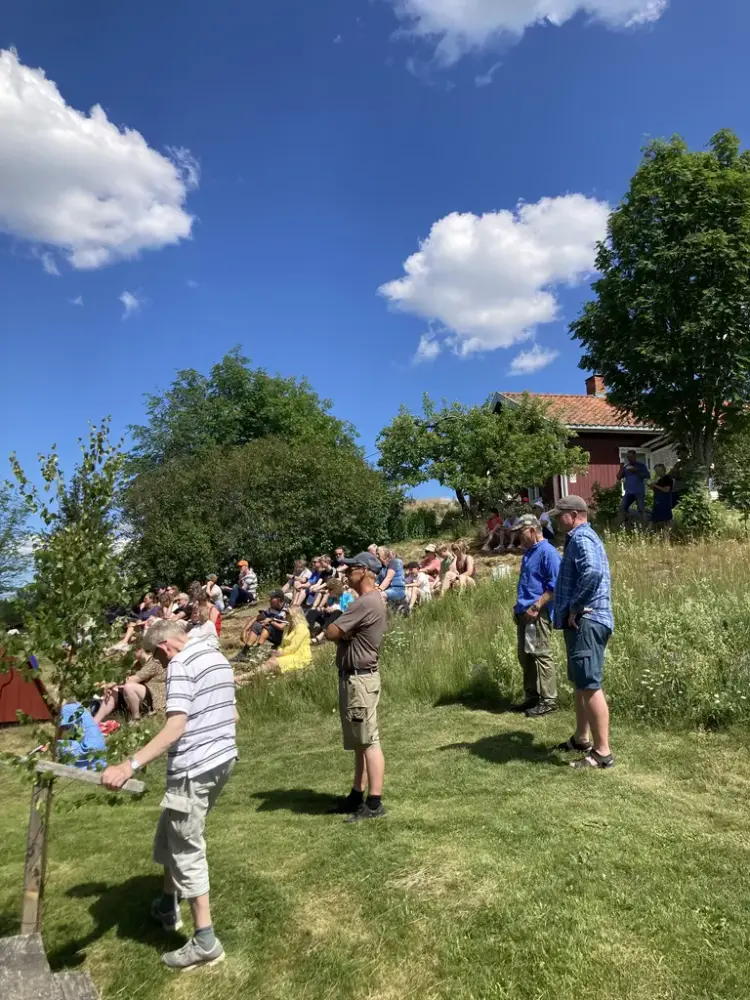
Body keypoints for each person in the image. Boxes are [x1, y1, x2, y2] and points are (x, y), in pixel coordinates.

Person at [102, 620, 237, 970]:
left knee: (187, 847)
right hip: (221, 760)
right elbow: (233, 715)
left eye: (158, 657)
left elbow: (175, 726)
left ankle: (205, 941)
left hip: (194, 768)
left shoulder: (180, 664)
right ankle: (166, 904)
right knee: (170, 832)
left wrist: (128, 765)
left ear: (163, 649)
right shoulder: (216, 657)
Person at [550, 495, 615, 769]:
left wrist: (575, 607)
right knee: (581, 683)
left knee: (589, 683)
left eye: (559, 514)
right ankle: (581, 738)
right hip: (582, 621)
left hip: (586, 620)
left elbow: (593, 572)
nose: (555, 519)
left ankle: (602, 753)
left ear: (574, 515)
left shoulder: (581, 538)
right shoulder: (581, 537)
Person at [326, 552, 388, 822]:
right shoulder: (368, 601)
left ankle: (374, 804)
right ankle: (356, 795)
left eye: (351, 568)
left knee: (369, 741)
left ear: (363, 571)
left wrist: (342, 628)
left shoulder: (365, 602)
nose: (346, 573)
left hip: (361, 680)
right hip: (357, 678)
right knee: (360, 741)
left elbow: (331, 632)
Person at [511, 514, 561, 717]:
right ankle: (532, 696)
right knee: (526, 656)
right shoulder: (529, 553)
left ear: (532, 530)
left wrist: (536, 607)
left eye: (520, 533)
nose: (518, 539)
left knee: (541, 655)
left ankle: (549, 700)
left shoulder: (548, 552)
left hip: (538, 614)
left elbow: (555, 585)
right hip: (524, 613)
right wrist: (518, 608)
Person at [93, 647, 167, 724]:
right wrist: (111, 686)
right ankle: (95, 721)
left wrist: (111, 684)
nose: (130, 654)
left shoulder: (154, 662)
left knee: (129, 687)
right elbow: (125, 678)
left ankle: (136, 719)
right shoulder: (137, 664)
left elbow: (132, 680)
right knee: (113, 690)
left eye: (132, 651)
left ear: (140, 649)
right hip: (142, 694)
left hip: (155, 696)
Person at [233, 590, 289, 662]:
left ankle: (257, 650)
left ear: (278, 600)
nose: (269, 600)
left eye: (271, 598)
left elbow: (282, 627)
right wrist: (245, 630)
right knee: (257, 623)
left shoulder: (287, 610)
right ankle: (245, 652)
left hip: (284, 637)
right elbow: (257, 617)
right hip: (274, 633)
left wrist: (271, 620)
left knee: (267, 626)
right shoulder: (272, 609)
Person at [264, 606, 313, 672]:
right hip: (288, 653)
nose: (284, 615)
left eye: (287, 613)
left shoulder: (302, 628)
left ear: (294, 615)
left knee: (272, 662)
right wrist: (278, 651)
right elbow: (282, 644)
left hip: (300, 656)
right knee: (271, 659)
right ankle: (250, 676)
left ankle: (248, 675)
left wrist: (280, 653)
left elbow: (294, 647)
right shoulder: (287, 627)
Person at [617, 450, 650, 524]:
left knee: (641, 509)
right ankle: (626, 525)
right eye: (628, 457)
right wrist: (621, 468)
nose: (629, 458)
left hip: (639, 491)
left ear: (635, 456)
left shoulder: (641, 466)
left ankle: (645, 525)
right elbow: (618, 477)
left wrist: (636, 471)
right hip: (629, 492)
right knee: (623, 508)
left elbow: (648, 476)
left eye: (631, 457)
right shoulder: (626, 467)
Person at [648, 463, 674, 531]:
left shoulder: (668, 479)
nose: (657, 473)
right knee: (652, 520)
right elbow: (658, 490)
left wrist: (655, 486)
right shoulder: (659, 480)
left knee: (666, 522)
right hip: (657, 504)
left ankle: (667, 539)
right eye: (656, 471)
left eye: (658, 471)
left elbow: (666, 489)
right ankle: (647, 536)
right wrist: (652, 487)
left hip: (665, 504)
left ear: (663, 470)